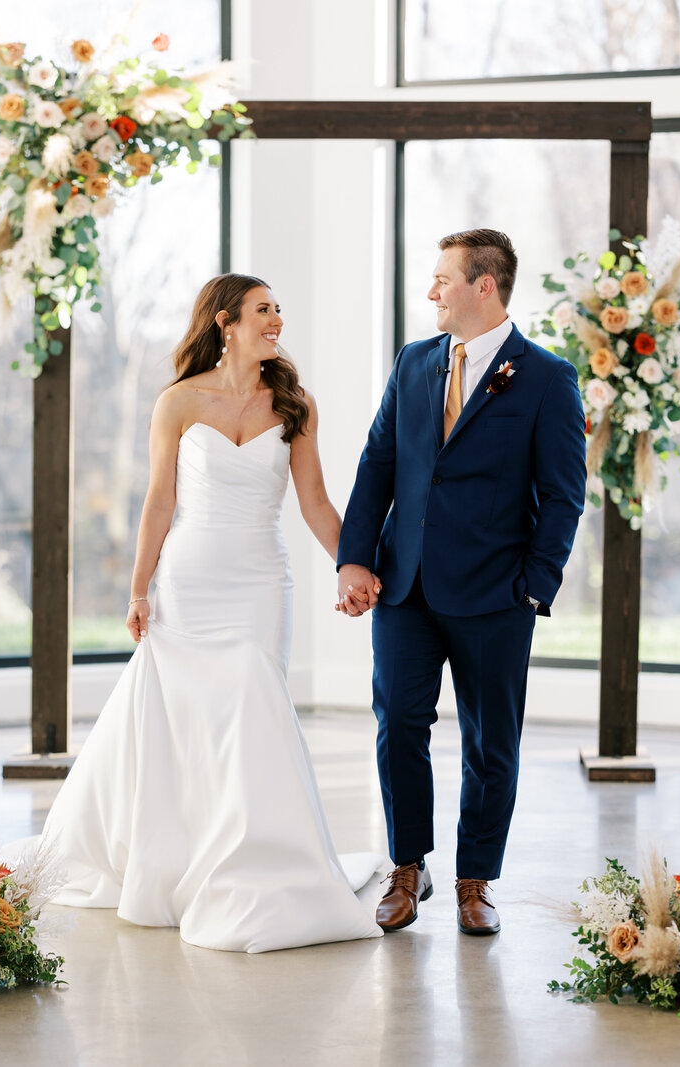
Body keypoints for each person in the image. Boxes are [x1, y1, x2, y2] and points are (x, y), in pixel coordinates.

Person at [32, 273, 383, 953]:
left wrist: (354, 564)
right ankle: (184, 860)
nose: (277, 319)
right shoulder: (178, 402)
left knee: (252, 706)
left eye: (279, 308)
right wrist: (139, 589)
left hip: (258, 581)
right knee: (189, 721)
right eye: (262, 310)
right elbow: (159, 500)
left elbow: (313, 501)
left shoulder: (296, 405)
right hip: (190, 580)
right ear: (225, 323)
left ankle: (255, 869)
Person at [336, 229, 586, 935]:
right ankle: (406, 868)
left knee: (490, 743)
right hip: (404, 586)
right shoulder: (414, 363)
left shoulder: (545, 376)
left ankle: (476, 880)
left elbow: (565, 493)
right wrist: (355, 556)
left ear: (485, 285)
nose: (431, 292)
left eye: (443, 278)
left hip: (496, 595)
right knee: (398, 728)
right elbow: (377, 462)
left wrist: (533, 586)